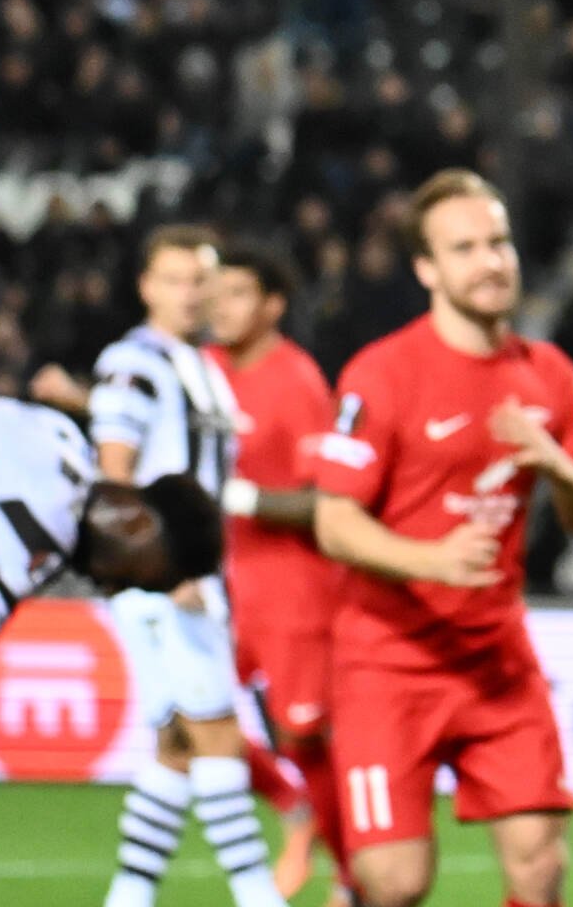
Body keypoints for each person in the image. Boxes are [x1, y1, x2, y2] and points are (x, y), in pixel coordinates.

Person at [311, 168, 573, 907]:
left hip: (495, 663)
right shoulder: (382, 373)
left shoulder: (546, 373)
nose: (491, 261)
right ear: (427, 269)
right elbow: (333, 521)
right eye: (465, 248)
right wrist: (431, 560)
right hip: (389, 664)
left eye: (499, 242)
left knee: (540, 869)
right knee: (394, 883)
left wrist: (557, 469)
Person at [90, 226, 294, 907]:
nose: (190, 293)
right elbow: (114, 478)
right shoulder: (134, 362)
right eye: (174, 279)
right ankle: (256, 893)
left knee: (177, 748)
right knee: (218, 739)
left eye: (199, 279)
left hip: (193, 581)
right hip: (164, 585)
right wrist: (164, 570)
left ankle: (129, 893)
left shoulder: (198, 364)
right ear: (146, 287)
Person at [206, 243, 348, 898]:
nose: (219, 305)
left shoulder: (296, 381)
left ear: (272, 306)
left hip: (293, 587)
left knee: (303, 733)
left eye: (237, 293)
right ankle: (296, 810)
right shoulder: (203, 370)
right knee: (189, 716)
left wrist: (243, 498)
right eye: (216, 291)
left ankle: (349, 873)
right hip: (218, 583)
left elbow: (325, 500)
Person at [0, 395, 221, 645]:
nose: (110, 590)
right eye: (130, 582)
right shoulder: (42, 537)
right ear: (138, 524)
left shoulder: (63, 433)